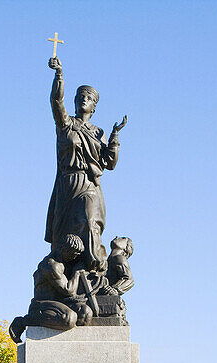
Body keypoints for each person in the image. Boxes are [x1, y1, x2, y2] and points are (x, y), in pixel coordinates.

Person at [46, 56, 126, 274]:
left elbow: (110, 163)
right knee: (64, 233)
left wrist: (115, 137)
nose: (84, 99)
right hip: (67, 184)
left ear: (94, 106)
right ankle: (65, 272)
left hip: (88, 184)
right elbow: (56, 102)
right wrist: (59, 76)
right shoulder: (66, 124)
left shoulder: (97, 133)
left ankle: (95, 265)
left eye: (88, 98)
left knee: (90, 220)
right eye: (80, 96)